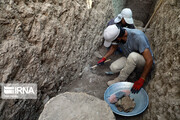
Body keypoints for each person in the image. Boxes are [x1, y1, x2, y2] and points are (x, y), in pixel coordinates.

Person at [99, 24, 154, 94]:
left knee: (132, 56)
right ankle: (131, 72)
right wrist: (104, 58)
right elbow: (113, 47)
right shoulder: (118, 34)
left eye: (113, 41)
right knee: (113, 67)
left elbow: (149, 60)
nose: (113, 43)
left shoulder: (138, 37)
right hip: (130, 57)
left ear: (118, 38)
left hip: (144, 61)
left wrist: (142, 79)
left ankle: (119, 79)